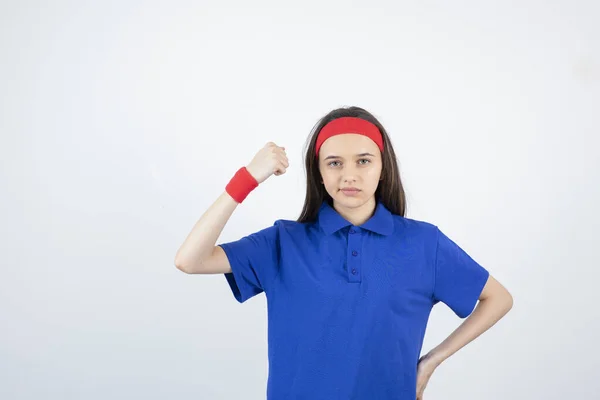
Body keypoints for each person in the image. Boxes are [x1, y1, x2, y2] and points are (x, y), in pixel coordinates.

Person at [174, 106, 513, 400]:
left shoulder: (424, 244)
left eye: (363, 161)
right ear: (319, 172)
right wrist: (248, 177)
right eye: (334, 163)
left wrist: (430, 362)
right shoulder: (283, 243)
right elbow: (190, 260)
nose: (349, 175)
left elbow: (498, 298)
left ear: (383, 167)